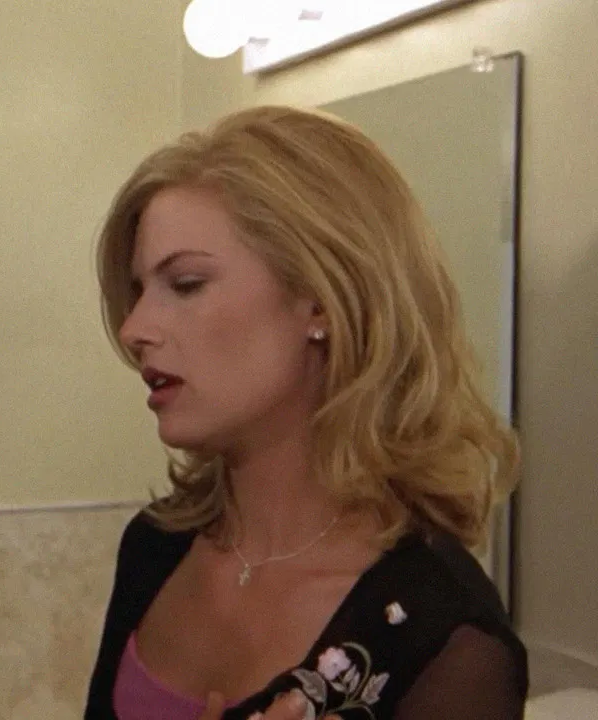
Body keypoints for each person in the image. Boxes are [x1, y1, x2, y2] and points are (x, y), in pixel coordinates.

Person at [84, 105, 526, 720]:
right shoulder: (157, 547)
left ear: (320, 299)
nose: (134, 329)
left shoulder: (443, 636)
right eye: (137, 292)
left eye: (185, 284)